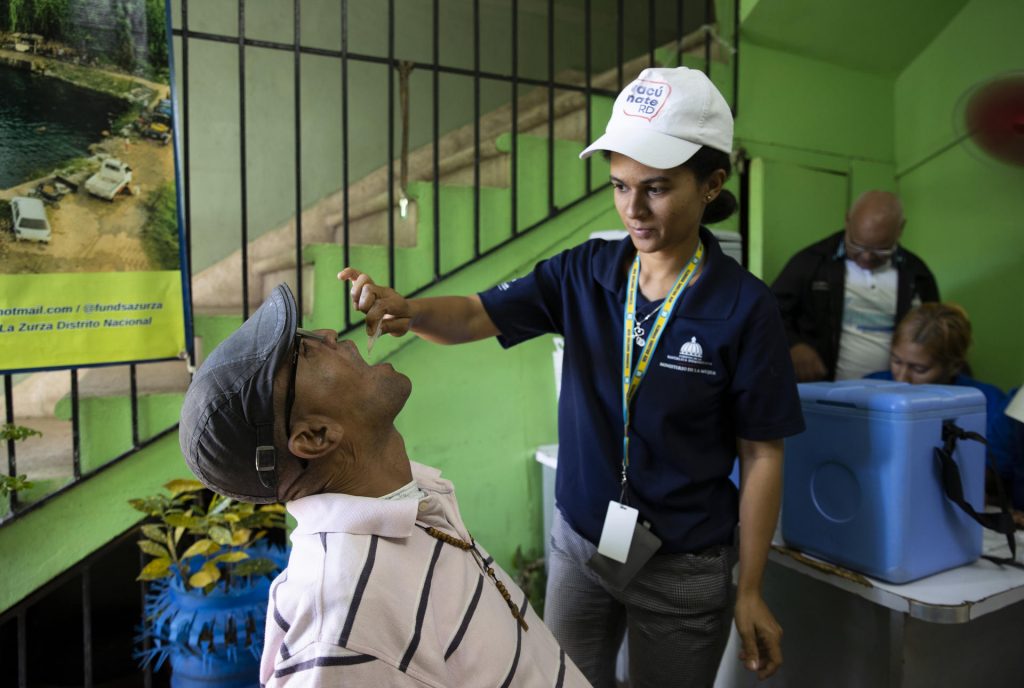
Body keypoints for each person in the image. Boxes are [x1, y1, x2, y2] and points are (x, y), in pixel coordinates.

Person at [339, 66, 805, 687]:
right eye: (619, 185)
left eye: (657, 189)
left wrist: (750, 588)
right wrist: (411, 310)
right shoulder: (587, 272)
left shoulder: (745, 308)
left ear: (711, 184)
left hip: (684, 564)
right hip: (581, 543)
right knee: (563, 679)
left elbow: (761, 454)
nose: (633, 209)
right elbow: (479, 312)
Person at [178, 284, 589, 687]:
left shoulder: (407, 510)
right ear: (316, 436)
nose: (328, 334)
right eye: (303, 349)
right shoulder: (344, 621)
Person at [771, 190, 940, 382]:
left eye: (880, 250)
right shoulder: (811, 263)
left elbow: (935, 334)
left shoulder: (917, 274)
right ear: (847, 220)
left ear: (900, 229)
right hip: (824, 391)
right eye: (857, 246)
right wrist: (794, 345)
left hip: (894, 397)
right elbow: (768, 313)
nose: (866, 257)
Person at [865, 302, 1017, 504]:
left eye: (919, 369)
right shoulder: (871, 389)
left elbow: (994, 474)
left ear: (954, 366)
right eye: (896, 361)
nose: (902, 378)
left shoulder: (986, 401)